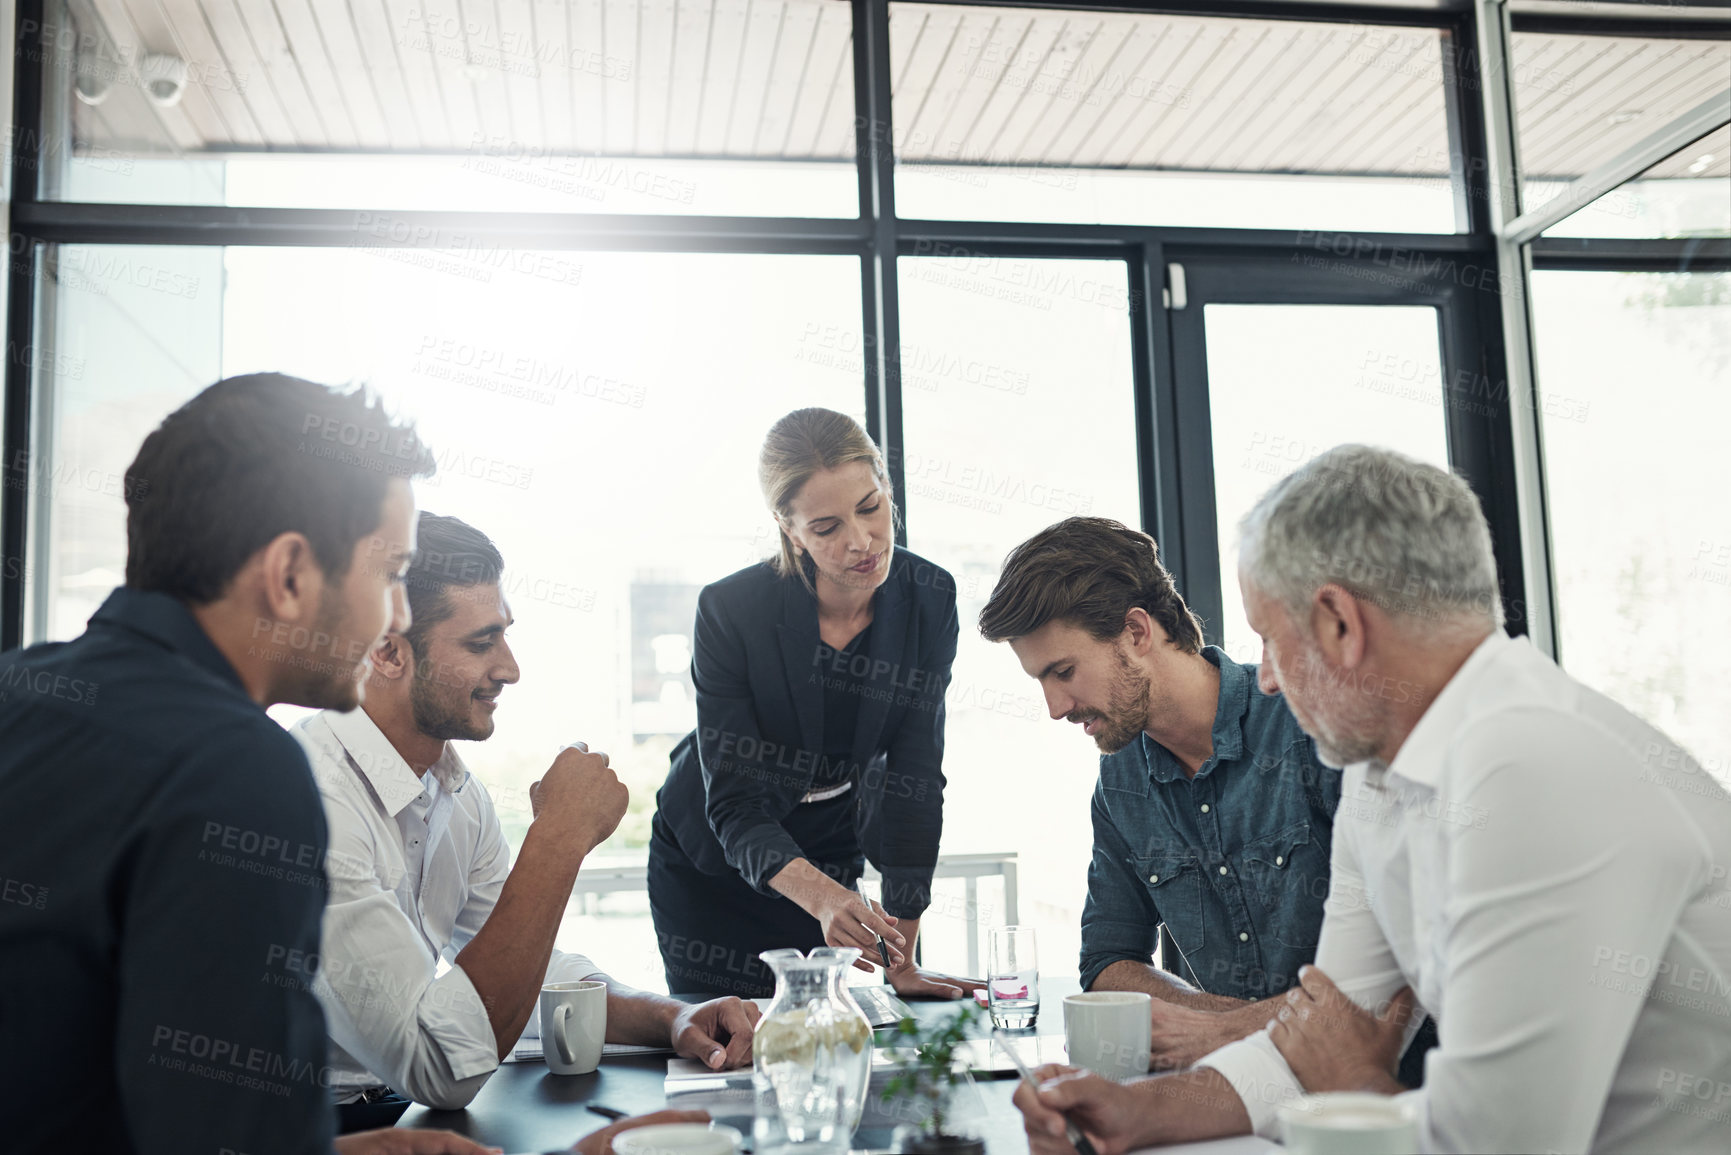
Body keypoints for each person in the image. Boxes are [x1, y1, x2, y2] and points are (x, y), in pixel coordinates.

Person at [1012, 445, 1731, 1154]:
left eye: (1269, 640)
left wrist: (1350, 1078)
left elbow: (1492, 1141)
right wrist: (1132, 1110)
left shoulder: (1536, 768)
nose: (1264, 679)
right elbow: (1307, 1044)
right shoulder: (1378, 773)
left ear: (1338, 624)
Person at [0, 375, 488, 1154]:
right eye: (392, 571)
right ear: (291, 574)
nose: (396, 614)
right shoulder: (239, 769)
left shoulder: (21, 686)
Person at [295, 513, 760, 1128]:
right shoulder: (314, 802)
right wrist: (557, 839)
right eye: (480, 643)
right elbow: (439, 1064)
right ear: (387, 652)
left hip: (392, 1108)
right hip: (296, 1125)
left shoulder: (457, 794)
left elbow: (527, 969)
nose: (510, 668)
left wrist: (669, 1016)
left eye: (504, 636)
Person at [979, 517, 1440, 1077]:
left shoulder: (1310, 730)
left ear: (1136, 632)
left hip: (1395, 1096)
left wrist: (1226, 1033)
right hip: (1245, 1090)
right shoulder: (1122, 784)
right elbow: (1108, 963)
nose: (1055, 706)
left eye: (1064, 671)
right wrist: (1217, 1023)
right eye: (1041, 681)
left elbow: (1406, 958)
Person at [648, 408, 976, 999]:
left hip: (827, 847)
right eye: (826, 527)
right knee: (725, 1044)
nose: (861, 541)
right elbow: (735, 801)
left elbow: (915, 777)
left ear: (887, 488)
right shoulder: (731, 611)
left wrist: (903, 957)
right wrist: (824, 898)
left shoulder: (929, 599)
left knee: (835, 1034)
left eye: (871, 508)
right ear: (788, 527)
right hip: (714, 861)